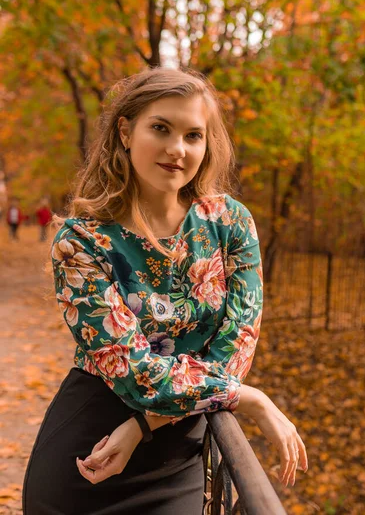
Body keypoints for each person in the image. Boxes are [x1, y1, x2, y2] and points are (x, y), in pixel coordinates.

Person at [22, 67, 308, 515]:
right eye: (161, 128)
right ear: (125, 131)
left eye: (194, 135)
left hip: (178, 455)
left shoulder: (230, 224)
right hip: (87, 452)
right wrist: (251, 399)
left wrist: (143, 424)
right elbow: (135, 372)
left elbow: (236, 352)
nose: (177, 149)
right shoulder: (81, 242)